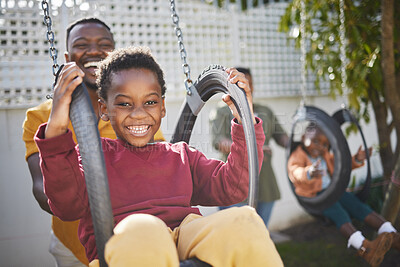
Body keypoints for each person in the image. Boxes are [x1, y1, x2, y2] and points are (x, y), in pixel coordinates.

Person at [34, 46, 283, 266]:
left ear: (162, 106)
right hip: (126, 242)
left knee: (244, 219)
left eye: (150, 102)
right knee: (144, 227)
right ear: (104, 109)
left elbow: (235, 187)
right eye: (124, 104)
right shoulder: (92, 157)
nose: (139, 114)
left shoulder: (181, 156)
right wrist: (56, 126)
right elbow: (66, 206)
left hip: (184, 234)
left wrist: (244, 119)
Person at [22, 18, 165, 266]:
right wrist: (78, 202)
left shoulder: (135, 111)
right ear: (67, 56)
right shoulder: (42, 117)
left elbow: (158, 169)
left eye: (103, 44)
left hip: (129, 239)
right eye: (82, 44)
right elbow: (41, 188)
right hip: (73, 247)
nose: (94, 51)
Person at [287, 123, 400, 267]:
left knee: (359, 207)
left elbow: (340, 165)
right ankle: (365, 248)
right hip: (318, 196)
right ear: (303, 138)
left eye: (324, 144)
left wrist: (357, 159)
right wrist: (309, 172)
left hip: (335, 190)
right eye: (315, 141)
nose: (319, 147)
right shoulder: (298, 155)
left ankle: (392, 234)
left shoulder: (325, 155)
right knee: (340, 215)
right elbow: (295, 172)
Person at [209, 67, 289, 227]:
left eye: (250, 84)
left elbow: (281, 137)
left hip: (265, 184)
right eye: (241, 83)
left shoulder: (265, 111)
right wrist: (252, 148)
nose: (247, 87)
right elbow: (220, 142)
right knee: (234, 236)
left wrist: (301, 144)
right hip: (234, 184)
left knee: (260, 233)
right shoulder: (222, 111)